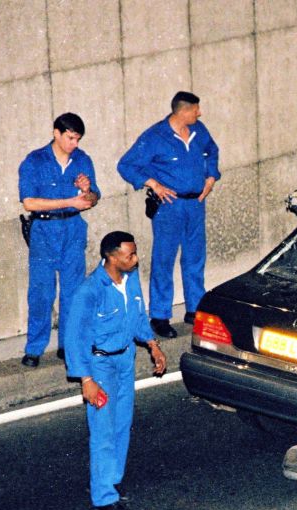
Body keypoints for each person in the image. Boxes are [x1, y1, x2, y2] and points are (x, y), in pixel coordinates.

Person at [64, 231, 167, 510]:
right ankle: (103, 497)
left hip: (125, 360)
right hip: (100, 367)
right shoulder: (89, 291)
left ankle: (111, 480)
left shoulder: (130, 279)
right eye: (129, 255)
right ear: (111, 257)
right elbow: (74, 338)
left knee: (122, 423)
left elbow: (138, 316)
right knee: (103, 429)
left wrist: (153, 345)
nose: (135, 259)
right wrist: (86, 380)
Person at [117, 91, 220, 339]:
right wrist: (153, 184)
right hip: (169, 207)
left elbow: (212, 151)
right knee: (164, 259)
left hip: (195, 204)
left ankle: (195, 308)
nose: (199, 113)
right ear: (183, 111)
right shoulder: (155, 137)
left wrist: (211, 177)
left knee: (195, 257)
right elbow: (126, 165)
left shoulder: (198, 130)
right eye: (195, 109)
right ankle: (160, 316)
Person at [18, 112, 100, 367]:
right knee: (41, 292)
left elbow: (94, 198)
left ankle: (68, 344)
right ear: (56, 133)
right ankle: (34, 348)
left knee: (73, 291)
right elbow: (29, 202)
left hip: (73, 228)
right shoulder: (34, 161)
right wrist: (70, 201)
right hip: (44, 229)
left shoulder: (82, 159)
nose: (75, 144)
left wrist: (87, 191)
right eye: (70, 138)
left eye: (78, 139)